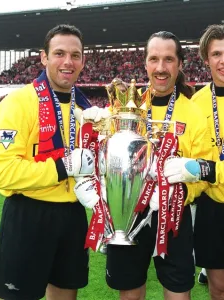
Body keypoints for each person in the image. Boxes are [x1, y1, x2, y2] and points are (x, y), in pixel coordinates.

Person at [76, 31, 211, 300]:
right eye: (154, 59)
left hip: (173, 217)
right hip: (126, 211)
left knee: (178, 293)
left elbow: (203, 171)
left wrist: (179, 192)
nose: (161, 68)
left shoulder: (194, 113)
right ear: (145, 63)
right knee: (130, 292)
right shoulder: (124, 107)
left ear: (180, 64)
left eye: (169, 59)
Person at [0, 24, 95, 300]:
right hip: (28, 214)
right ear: (44, 57)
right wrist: (64, 166)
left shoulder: (86, 110)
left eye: (76, 55)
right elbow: (3, 173)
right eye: (59, 53)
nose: (68, 62)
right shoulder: (17, 103)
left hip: (72, 216)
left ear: (83, 60)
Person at [164, 24, 224, 300]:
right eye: (216, 54)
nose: (223, 60)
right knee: (219, 287)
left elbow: (203, 167)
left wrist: (211, 170)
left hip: (213, 181)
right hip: (213, 208)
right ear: (206, 59)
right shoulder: (195, 103)